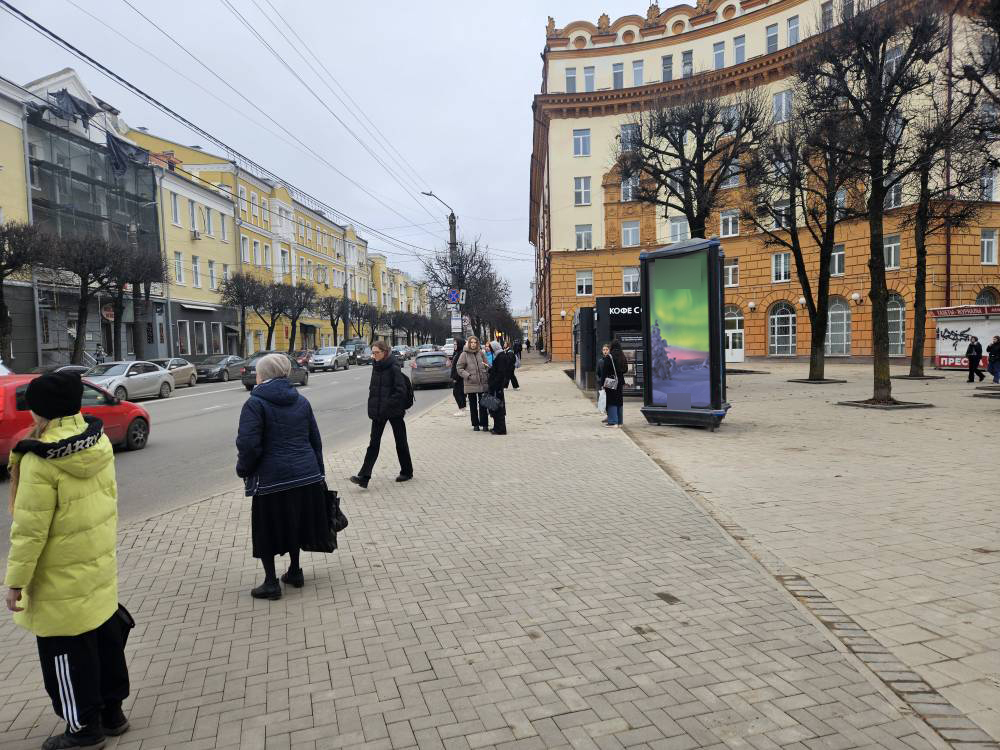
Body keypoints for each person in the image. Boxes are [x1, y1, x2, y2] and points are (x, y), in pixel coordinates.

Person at [5, 371, 133, 750]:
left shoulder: (38, 460)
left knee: (64, 653)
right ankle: (113, 713)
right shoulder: (97, 442)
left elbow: (30, 532)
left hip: (59, 576)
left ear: (40, 411)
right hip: (97, 564)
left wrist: (15, 584)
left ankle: (83, 729)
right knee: (103, 641)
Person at [237, 353, 327, 600]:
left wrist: (243, 469)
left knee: (266, 529)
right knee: (294, 522)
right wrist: (319, 473)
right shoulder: (301, 401)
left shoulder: (255, 403)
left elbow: (249, 445)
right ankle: (295, 571)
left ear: (264, 374)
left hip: (271, 479)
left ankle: (270, 582)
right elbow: (315, 441)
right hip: (305, 474)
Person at [350, 340, 413, 488]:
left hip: (394, 411)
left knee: (401, 442)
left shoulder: (393, 367)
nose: (373, 355)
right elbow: (374, 390)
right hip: (379, 412)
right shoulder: (376, 366)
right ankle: (364, 477)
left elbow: (400, 391)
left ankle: (407, 471)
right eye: (372, 352)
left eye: (376, 352)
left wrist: (387, 404)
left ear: (384, 353)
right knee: (373, 444)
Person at [457, 336, 491, 432]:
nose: (473, 344)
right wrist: (468, 376)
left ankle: (484, 424)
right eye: (471, 342)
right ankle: (475, 424)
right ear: (468, 343)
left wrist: (486, 371)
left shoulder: (481, 353)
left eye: (475, 342)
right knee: (473, 405)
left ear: (477, 343)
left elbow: (487, 365)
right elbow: (459, 368)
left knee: (483, 404)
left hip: (482, 383)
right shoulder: (464, 354)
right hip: (470, 383)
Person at [486, 340, 515, 435]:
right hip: (496, 386)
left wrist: (494, 384)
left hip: (497, 387)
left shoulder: (501, 357)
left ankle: (501, 429)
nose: (490, 350)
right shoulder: (499, 356)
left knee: (498, 408)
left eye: (490, 348)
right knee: (495, 407)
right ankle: (496, 427)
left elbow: (501, 373)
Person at [602, 339, 628, 427]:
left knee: (611, 401)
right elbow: (625, 370)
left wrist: (603, 384)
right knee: (619, 401)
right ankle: (620, 422)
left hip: (611, 381)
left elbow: (604, 372)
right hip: (620, 381)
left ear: (612, 347)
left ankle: (613, 422)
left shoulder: (609, 357)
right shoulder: (622, 356)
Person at [450, 336, 467, 415]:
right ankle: (462, 408)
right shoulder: (456, 353)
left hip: (459, 377)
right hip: (457, 376)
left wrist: (455, 377)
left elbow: (460, 366)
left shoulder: (461, 354)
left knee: (457, 393)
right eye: (454, 344)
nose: (454, 346)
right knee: (459, 392)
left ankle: (462, 409)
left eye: (455, 344)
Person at [596, 344, 610, 424]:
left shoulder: (612, 360)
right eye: (604, 350)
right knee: (604, 400)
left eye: (606, 349)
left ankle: (610, 416)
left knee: (609, 400)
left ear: (609, 350)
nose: (605, 351)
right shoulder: (600, 361)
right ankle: (607, 415)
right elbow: (597, 373)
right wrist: (600, 381)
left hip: (610, 383)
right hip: (602, 384)